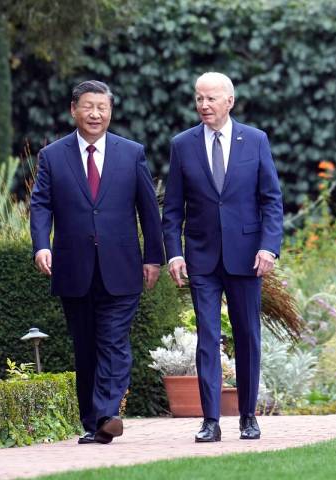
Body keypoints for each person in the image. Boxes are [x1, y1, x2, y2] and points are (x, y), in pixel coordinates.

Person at [30, 80, 164, 444]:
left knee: (114, 341)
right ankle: (93, 423)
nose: (95, 114)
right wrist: (42, 245)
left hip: (121, 266)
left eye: (102, 107)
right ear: (73, 109)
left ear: (110, 111)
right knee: (86, 346)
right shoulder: (53, 156)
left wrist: (154, 257)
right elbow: (41, 204)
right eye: (88, 106)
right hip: (73, 268)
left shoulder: (131, 152)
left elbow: (148, 210)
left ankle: (107, 413)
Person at [162, 72, 283, 442]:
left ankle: (248, 417)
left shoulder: (256, 140)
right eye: (199, 98)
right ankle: (210, 421)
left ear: (229, 101)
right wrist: (174, 253)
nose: (204, 105)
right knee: (207, 337)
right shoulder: (182, 145)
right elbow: (172, 209)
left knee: (247, 335)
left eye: (211, 98)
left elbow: (271, 200)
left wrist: (268, 246)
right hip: (202, 257)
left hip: (247, 258)